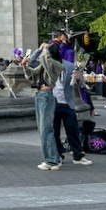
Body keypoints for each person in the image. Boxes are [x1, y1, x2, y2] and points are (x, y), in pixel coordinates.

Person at [22, 42, 64, 171]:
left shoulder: (56, 65)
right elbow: (32, 74)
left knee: (46, 129)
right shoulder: (47, 63)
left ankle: (51, 160)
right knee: (44, 129)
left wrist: (44, 48)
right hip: (40, 94)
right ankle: (55, 158)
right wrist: (24, 65)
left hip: (46, 95)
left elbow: (45, 60)